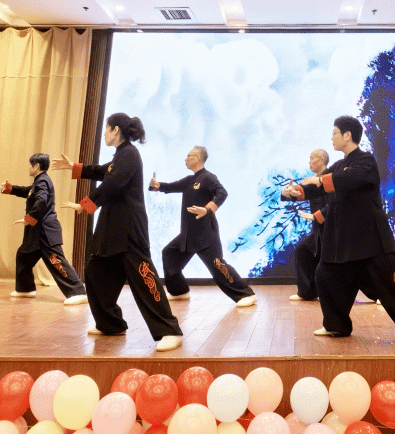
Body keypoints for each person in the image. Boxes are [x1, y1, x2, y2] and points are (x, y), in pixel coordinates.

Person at [288, 115, 395, 346]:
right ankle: (336, 326)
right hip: (344, 243)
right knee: (325, 276)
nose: (332, 138)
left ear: (347, 135)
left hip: (371, 240)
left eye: (335, 133)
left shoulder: (366, 161)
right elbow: (318, 188)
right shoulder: (337, 166)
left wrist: (319, 181)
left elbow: (350, 179)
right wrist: (295, 192)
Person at [53, 113, 183, 352]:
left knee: (144, 278)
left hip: (130, 229)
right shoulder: (120, 156)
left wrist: (85, 205)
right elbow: (103, 171)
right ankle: (111, 324)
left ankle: (170, 330)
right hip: (112, 230)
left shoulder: (130, 154)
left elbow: (112, 183)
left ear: (115, 130)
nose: (104, 133)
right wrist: (74, 167)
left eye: (106, 128)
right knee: (95, 272)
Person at [149, 147, 257, 307]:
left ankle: (246, 294)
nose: (185, 159)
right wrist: (157, 185)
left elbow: (222, 193)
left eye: (188, 156)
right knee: (169, 254)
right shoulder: (189, 180)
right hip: (188, 234)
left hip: (205, 233)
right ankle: (179, 291)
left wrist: (207, 209)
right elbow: (171, 187)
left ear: (197, 158)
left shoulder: (208, 177)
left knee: (218, 266)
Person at [285, 148, 381, 305]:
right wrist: (289, 192)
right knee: (303, 251)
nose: (309, 162)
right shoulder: (316, 180)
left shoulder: (332, 177)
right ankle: (307, 292)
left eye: (312, 158)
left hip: (336, 230)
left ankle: (379, 294)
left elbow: (334, 204)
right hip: (320, 231)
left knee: (352, 266)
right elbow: (303, 191)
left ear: (321, 160)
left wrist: (317, 216)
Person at [0, 152, 87, 305]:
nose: (29, 167)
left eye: (30, 165)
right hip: (36, 232)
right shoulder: (39, 182)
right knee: (23, 256)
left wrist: (29, 218)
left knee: (55, 260)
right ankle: (25, 289)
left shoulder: (43, 181)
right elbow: (28, 191)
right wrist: (11, 189)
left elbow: (41, 200)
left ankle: (78, 292)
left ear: (36, 166)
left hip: (45, 231)